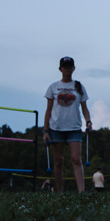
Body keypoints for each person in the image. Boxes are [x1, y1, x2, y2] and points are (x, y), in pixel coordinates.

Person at [43, 57, 92, 193]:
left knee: (76, 159)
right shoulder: (53, 87)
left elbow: (84, 108)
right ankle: (59, 193)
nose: (67, 69)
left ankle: (81, 192)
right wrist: (45, 130)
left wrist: (88, 121)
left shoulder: (79, 86)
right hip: (56, 127)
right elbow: (48, 110)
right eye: (64, 66)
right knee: (58, 161)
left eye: (70, 66)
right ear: (60, 69)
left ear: (73, 68)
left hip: (74, 127)